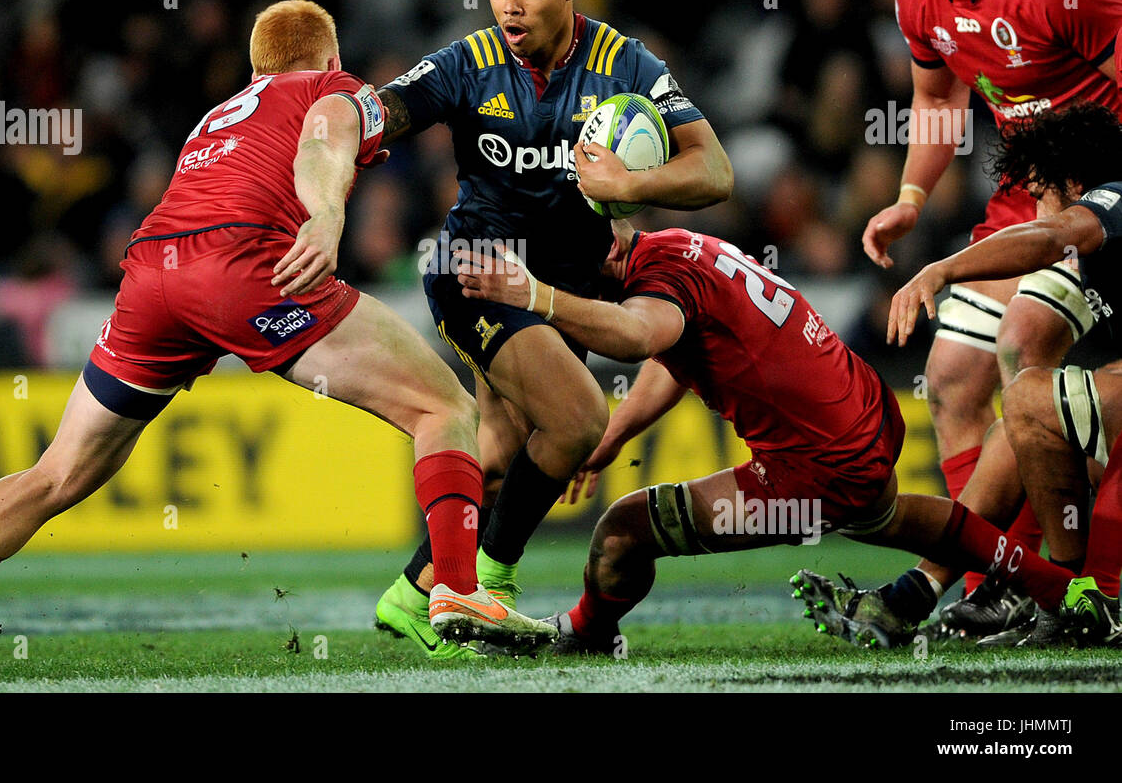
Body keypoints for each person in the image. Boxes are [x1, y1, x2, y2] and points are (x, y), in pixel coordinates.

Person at [0, 0, 555, 670]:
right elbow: (324, 146)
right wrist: (327, 214)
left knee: (55, 473)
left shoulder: (216, 116)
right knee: (444, 407)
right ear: (328, 56)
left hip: (150, 274)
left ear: (256, 68)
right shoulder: (332, 87)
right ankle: (456, 585)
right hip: (244, 263)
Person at [370, 0, 733, 659]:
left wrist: (634, 180)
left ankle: (412, 595)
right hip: (477, 271)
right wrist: (334, 127)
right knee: (575, 418)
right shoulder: (468, 63)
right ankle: (490, 588)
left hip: (568, 291)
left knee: (500, 454)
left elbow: (715, 171)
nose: (509, 5)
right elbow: (388, 109)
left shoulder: (625, 66)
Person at [452, 222, 1079, 652]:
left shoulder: (652, 287)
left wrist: (535, 296)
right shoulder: (674, 248)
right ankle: (1061, 593)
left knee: (622, 531)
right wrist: (615, 435)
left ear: (605, 252)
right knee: (882, 513)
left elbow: (639, 336)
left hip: (814, 462)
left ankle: (588, 637)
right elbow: (668, 349)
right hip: (862, 407)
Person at [859, 0, 1122, 626]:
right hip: (1022, 197)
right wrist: (911, 196)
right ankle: (993, 586)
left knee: (1022, 346)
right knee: (950, 378)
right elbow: (938, 101)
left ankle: (1067, 581)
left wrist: (1103, 202)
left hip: (1091, 198)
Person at [879, 101, 1122, 646]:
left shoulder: (1113, 200)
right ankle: (923, 586)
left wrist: (943, 269)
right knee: (1012, 431)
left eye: (1039, 195)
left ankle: (1075, 597)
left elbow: (1046, 238)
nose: (1035, 211)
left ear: (1076, 183)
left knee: (1029, 394)